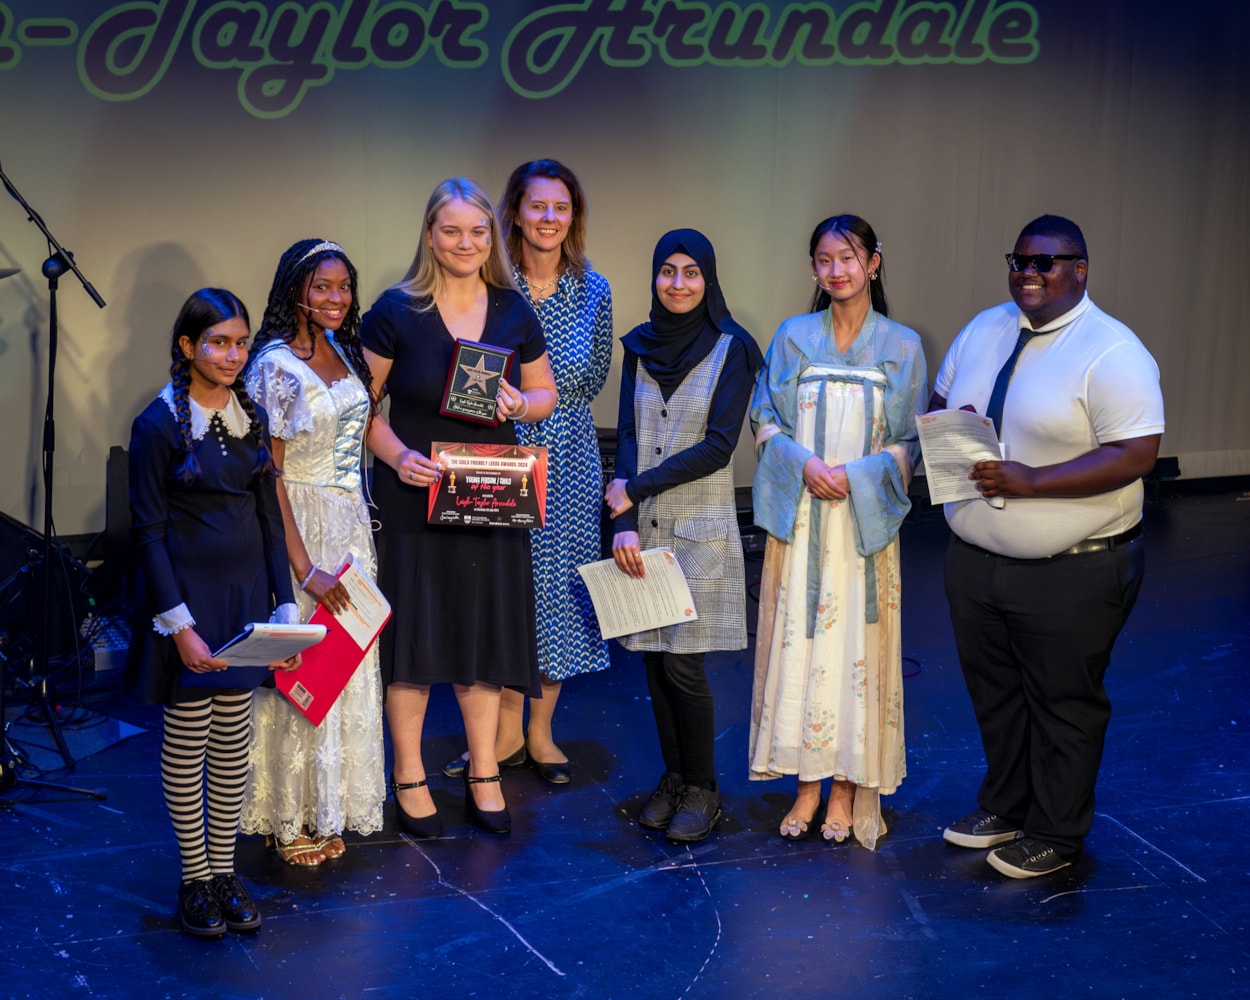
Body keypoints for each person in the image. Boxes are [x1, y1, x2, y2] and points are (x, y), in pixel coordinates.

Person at [932, 214, 1164, 878]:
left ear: (1079, 270)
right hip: (976, 559)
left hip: (1075, 570)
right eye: (1020, 261)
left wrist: (1032, 481)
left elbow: (1136, 452)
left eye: (1046, 263)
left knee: (1063, 703)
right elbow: (946, 398)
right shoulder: (985, 327)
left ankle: (1058, 835)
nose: (1028, 275)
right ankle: (1006, 807)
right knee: (996, 695)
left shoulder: (1111, 350)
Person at [360, 178, 558, 836]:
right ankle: (409, 774)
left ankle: (484, 770)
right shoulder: (395, 310)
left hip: (490, 494)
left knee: (480, 636)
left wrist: (519, 406)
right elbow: (358, 410)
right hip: (415, 496)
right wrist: (394, 457)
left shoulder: (513, 308)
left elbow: (544, 393)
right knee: (415, 640)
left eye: (478, 231)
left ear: (492, 237)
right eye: (452, 231)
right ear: (430, 236)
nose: (466, 243)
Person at [748, 215, 927, 850]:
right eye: (824, 260)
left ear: (874, 262)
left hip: (862, 523)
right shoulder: (794, 337)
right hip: (801, 518)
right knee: (798, 647)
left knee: (853, 649)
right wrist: (807, 466)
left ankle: (847, 785)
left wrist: (858, 475)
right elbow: (765, 417)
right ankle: (804, 781)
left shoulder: (902, 346)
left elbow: (910, 441)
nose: (837, 271)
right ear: (813, 270)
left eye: (848, 258)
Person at [128, 288, 301, 938]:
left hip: (247, 599)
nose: (232, 354)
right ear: (187, 347)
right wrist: (180, 626)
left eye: (239, 342)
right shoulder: (157, 425)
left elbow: (268, 521)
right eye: (218, 342)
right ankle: (194, 880)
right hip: (190, 605)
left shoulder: (248, 416)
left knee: (234, 733)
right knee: (189, 733)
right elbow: (148, 533)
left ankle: (224, 873)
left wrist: (283, 605)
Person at [442, 159, 613, 784]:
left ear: (574, 217)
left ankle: (538, 732)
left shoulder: (594, 290)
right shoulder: (485, 281)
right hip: (493, 449)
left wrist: (534, 394)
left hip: (566, 455)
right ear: (513, 211)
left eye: (561, 208)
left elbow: (589, 380)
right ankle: (499, 735)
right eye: (538, 206)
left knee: (558, 594)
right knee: (497, 590)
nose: (549, 219)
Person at [606, 228, 762, 843]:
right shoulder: (640, 347)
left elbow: (719, 447)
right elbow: (626, 435)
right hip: (642, 528)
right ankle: (672, 778)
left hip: (700, 529)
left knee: (684, 666)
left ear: (708, 279)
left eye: (690, 272)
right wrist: (621, 520)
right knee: (652, 663)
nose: (677, 284)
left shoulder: (734, 348)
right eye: (667, 271)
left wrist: (635, 489)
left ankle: (703, 787)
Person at [238, 240, 386, 865]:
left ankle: (328, 806)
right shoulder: (273, 364)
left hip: (350, 523)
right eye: (322, 286)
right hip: (300, 525)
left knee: (343, 665)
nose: (336, 298)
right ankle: (287, 815)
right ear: (296, 289)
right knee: (301, 663)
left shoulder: (345, 353)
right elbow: (267, 474)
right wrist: (301, 566)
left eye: (345, 287)